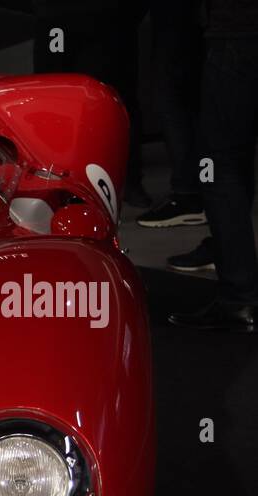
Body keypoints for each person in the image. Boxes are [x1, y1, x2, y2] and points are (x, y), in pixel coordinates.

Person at [169, 0, 258, 331]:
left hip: (237, 35)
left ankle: (239, 296)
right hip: (236, 33)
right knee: (226, 163)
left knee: (220, 164)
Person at [32, 0, 151, 208]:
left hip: (67, 18)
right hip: (107, 17)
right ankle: (125, 181)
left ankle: (61, 181)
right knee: (111, 99)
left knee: (56, 99)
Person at [137, 0, 206, 230]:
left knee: (174, 100)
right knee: (181, 100)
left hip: (181, 18)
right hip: (187, 19)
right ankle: (195, 192)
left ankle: (190, 195)